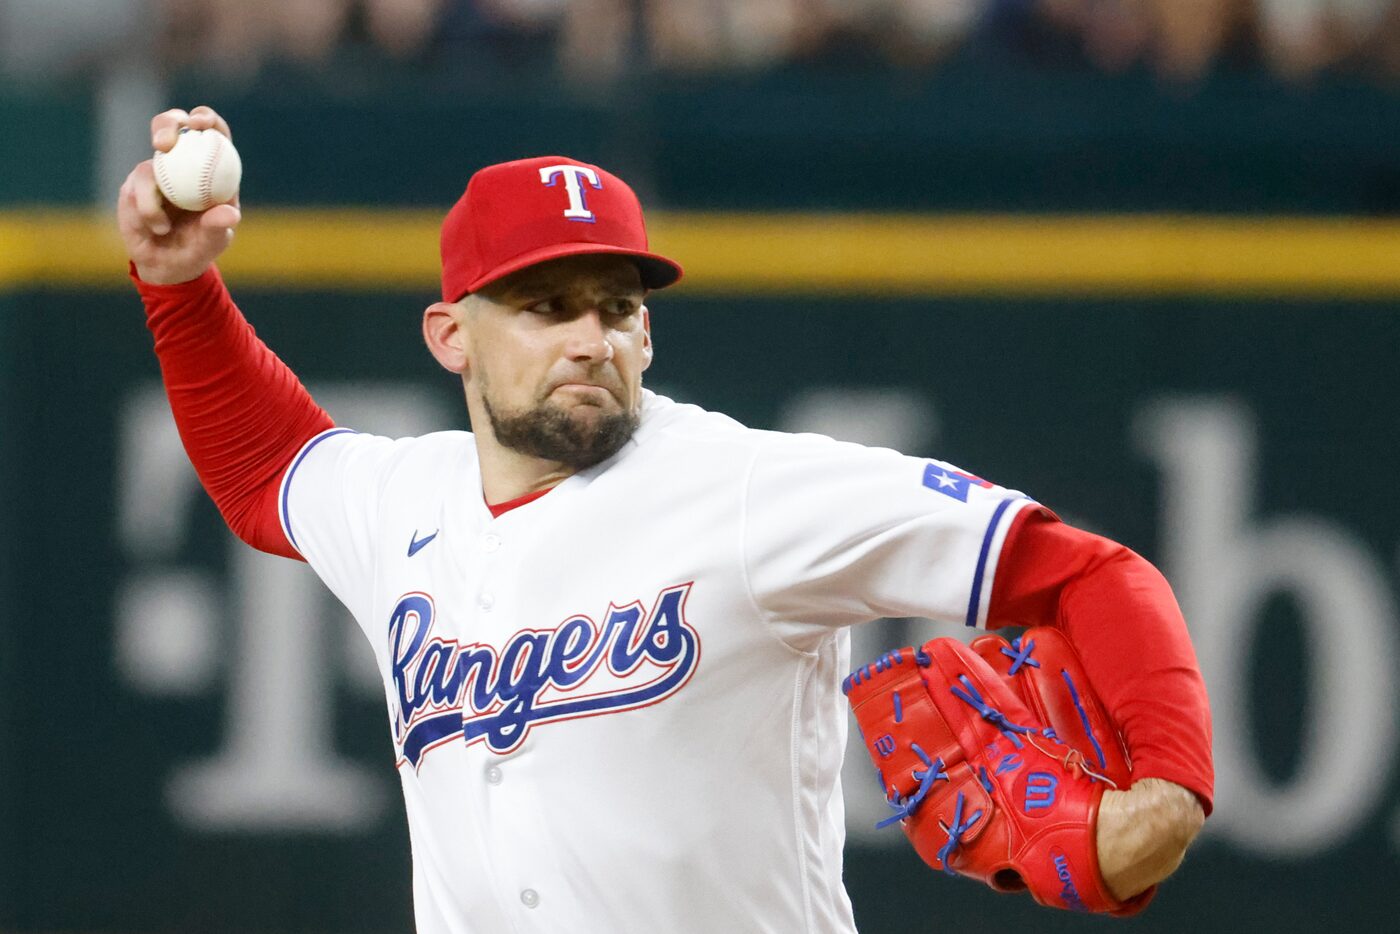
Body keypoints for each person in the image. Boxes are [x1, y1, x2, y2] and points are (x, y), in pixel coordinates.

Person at [118, 105, 1213, 933]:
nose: (588, 336)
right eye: (545, 307)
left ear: (647, 336)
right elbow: (271, 467)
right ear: (451, 336)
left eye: (615, 306)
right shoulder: (407, 501)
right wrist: (177, 286)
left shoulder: (746, 491)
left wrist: (1164, 791)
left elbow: (1089, 572)